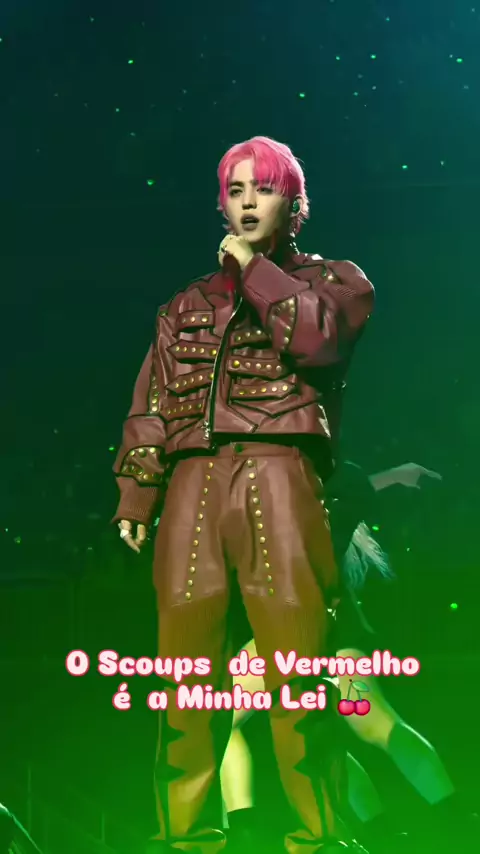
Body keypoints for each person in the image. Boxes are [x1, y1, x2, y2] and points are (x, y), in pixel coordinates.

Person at [112, 135, 375, 854]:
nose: (249, 201)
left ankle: (321, 837)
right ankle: (188, 839)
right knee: (187, 681)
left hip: (280, 473)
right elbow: (153, 401)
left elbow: (316, 342)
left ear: (295, 203)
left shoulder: (337, 282)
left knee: (298, 674)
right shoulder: (183, 304)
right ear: (221, 203)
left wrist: (256, 270)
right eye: (236, 189)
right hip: (192, 483)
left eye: (265, 188)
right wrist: (137, 493)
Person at [220, 461, 477, 853]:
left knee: (221, 719)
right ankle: (428, 820)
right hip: (328, 632)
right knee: (362, 730)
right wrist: (393, 476)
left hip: (303, 630)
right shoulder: (299, 491)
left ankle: (246, 830)